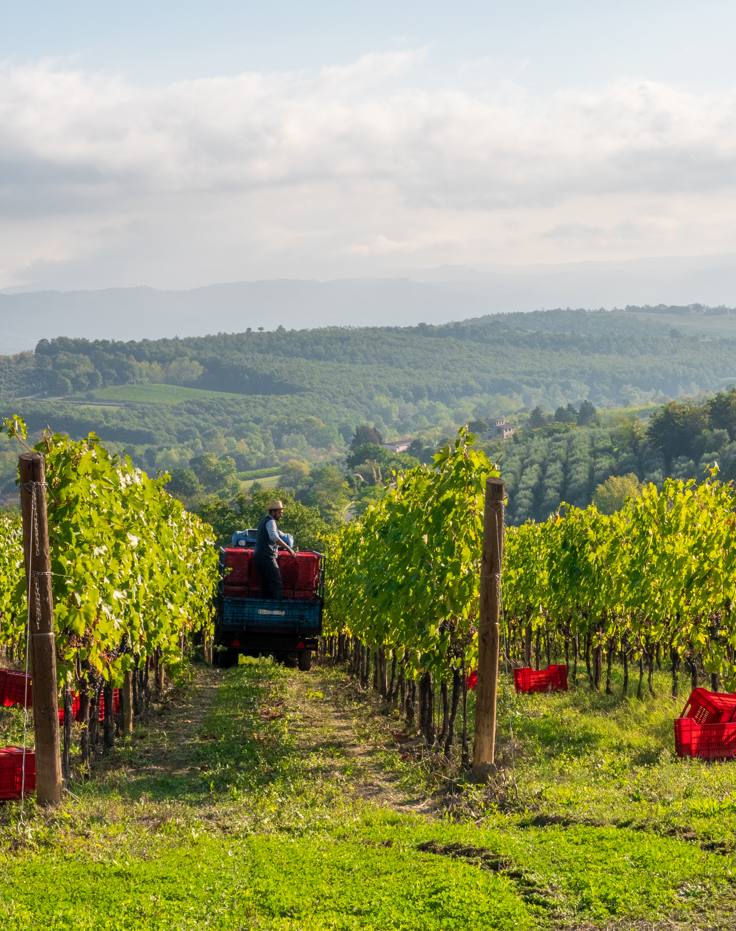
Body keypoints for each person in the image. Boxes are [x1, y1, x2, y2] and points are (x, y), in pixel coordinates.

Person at [253, 499, 296, 599]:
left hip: (258, 556)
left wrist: (278, 547)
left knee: (264, 585)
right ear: (273, 512)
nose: (281, 515)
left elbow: (267, 540)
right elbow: (274, 537)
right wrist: (289, 549)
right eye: (280, 512)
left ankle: (262, 609)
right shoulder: (271, 522)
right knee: (277, 584)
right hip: (266, 557)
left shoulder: (263, 522)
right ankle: (278, 610)